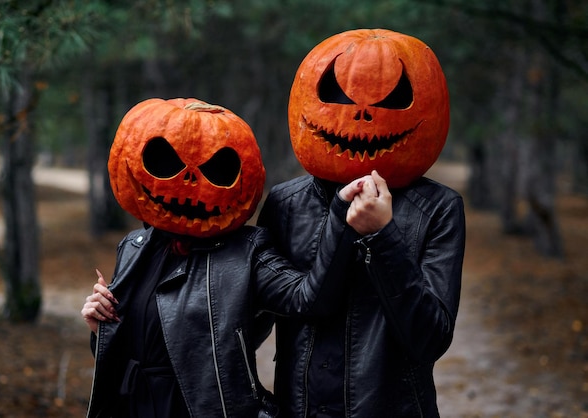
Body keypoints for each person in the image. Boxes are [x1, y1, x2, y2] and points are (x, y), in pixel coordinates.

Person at [80, 97, 377, 418]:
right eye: (166, 163)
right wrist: (100, 328)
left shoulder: (244, 253)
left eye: (216, 169)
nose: (188, 179)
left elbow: (309, 299)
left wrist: (340, 215)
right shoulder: (135, 246)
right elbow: (127, 355)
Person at [256, 29, 466, 417]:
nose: (361, 114)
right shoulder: (286, 204)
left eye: (390, 99)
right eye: (339, 96)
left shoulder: (438, 209)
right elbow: (239, 329)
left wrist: (383, 237)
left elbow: (430, 338)